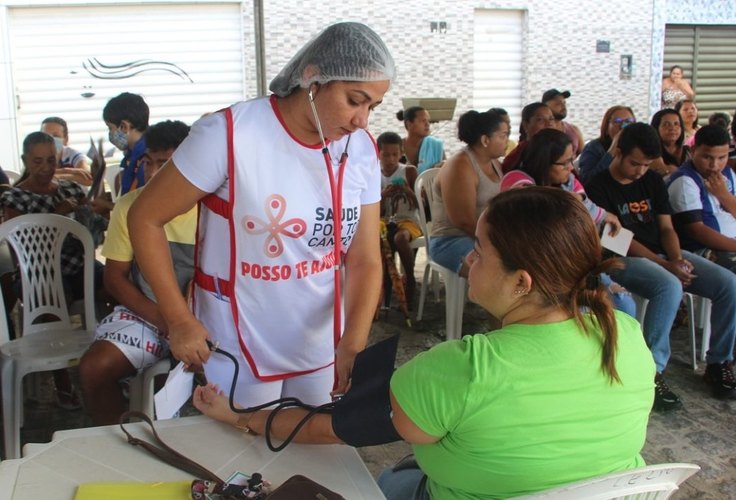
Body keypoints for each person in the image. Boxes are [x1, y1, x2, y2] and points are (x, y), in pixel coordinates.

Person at [192, 187, 656, 499]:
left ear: (521, 282)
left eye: (479, 249)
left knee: (388, 481)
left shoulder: (465, 368)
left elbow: (333, 428)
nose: (468, 259)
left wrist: (237, 416)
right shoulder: (626, 335)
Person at [128, 22, 395, 407]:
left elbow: (365, 258)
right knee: (245, 451)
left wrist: (352, 343)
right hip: (237, 336)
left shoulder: (361, 150)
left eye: (373, 106)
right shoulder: (230, 133)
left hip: (320, 338)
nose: (362, 120)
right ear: (312, 77)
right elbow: (144, 217)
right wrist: (179, 319)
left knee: (312, 450)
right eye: (355, 100)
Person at [586, 122, 736, 409]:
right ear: (618, 152)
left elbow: (667, 228)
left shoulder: (652, 181)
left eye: (646, 164)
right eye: (635, 163)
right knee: (669, 286)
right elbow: (619, 240)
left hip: (663, 254)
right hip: (619, 258)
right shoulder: (598, 186)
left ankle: (718, 363)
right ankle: (651, 372)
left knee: (728, 284)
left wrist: (677, 258)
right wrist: (665, 265)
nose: (641, 170)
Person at [78, 120, 193, 425]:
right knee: (95, 368)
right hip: (149, 314)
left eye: (165, 164)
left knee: (236, 371)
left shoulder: (214, 205)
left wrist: (188, 322)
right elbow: (114, 278)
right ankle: (121, 444)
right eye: (149, 163)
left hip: (205, 316)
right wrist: (167, 320)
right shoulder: (130, 205)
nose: (154, 173)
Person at [0, 131, 107, 410]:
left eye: (50, 160)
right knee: (49, 304)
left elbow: (91, 232)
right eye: (37, 161)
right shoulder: (15, 198)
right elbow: (21, 251)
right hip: (36, 275)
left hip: (79, 266)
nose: (45, 168)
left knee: (117, 287)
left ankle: (111, 367)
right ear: (25, 160)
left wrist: (95, 200)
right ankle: (62, 381)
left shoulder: (69, 189)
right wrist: (57, 215)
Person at [503, 128, 634, 317]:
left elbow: (588, 209)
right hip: (534, 268)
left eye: (571, 160)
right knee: (579, 311)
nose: (571, 168)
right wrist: (572, 200)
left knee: (624, 304)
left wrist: (606, 216)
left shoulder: (569, 182)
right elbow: (533, 204)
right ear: (544, 163)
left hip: (572, 264)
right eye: (564, 163)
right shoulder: (516, 179)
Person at [429, 110, 507, 277]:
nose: (507, 141)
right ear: (486, 140)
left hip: (482, 236)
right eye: (503, 136)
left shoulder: (495, 163)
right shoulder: (460, 166)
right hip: (451, 240)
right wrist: (498, 243)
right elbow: (464, 222)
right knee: (499, 268)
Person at [668, 125, 736, 271]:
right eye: (707, 157)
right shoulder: (685, 180)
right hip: (702, 251)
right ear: (693, 151)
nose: (714, 165)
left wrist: (724, 195)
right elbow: (696, 231)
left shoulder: (729, 173)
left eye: (722, 157)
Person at [377, 131, 420, 305]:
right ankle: (385, 286)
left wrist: (408, 191)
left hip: (408, 220)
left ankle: (409, 278)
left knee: (400, 238)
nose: (391, 159)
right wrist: (383, 196)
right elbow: (374, 212)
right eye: (386, 155)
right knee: (379, 241)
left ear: (401, 154)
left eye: (395, 154)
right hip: (384, 221)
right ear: (378, 153)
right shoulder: (374, 174)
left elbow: (421, 205)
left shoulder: (408, 171)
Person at [103, 92, 149, 195]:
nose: (110, 133)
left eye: (110, 128)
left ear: (124, 127)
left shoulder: (147, 160)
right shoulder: (132, 156)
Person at [578, 105, 636, 185]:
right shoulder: (594, 147)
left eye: (628, 122)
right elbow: (587, 181)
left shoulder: (638, 148)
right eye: (618, 121)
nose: (623, 126)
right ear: (606, 128)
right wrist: (612, 150)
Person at [501, 102, 555, 173]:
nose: (549, 124)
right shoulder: (516, 158)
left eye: (551, 119)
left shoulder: (559, 149)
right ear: (526, 125)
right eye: (540, 120)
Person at [40, 116, 92, 186]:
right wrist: (70, 172)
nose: (49, 139)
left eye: (55, 136)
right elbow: (31, 177)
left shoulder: (73, 155)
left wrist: (59, 176)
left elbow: (88, 179)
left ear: (66, 139)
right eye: (45, 135)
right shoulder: (34, 156)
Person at [396, 106, 444, 173]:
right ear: (409, 124)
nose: (427, 124)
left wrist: (441, 166)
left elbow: (445, 170)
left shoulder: (435, 145)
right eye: (423, 121)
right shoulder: (396, 147)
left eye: (428, 121)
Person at [541, 88, 585, 157]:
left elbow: (584, 157)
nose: (563, 106)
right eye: (558, 104)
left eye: (564, 103)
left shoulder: (574, 130)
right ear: (545, 106)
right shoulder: (540, 131)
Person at [649, 108, 690, 177]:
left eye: (676, 124)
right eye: (666, 124)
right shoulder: (651, 155)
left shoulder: (689, 152)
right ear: (656, 128)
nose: (672, 128)